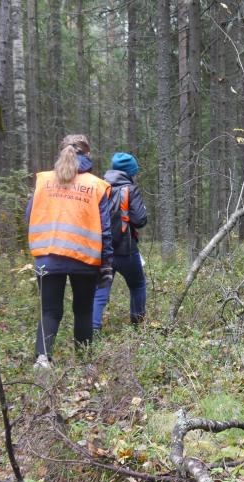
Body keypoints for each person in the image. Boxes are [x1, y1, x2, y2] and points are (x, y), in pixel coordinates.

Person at [26, 135, 113, 369]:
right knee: (83, 311)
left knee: (50, 310)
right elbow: (105, 230)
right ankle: (84, 363)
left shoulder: (43, 181)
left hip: (47, 256)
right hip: (85, 259)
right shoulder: (96, 185)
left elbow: (29, 216)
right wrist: (106, 265)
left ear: (61, 152)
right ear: (88, 154)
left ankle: (42, 360)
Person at [93, 153, 148, 327]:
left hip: (102, 249)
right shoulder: (130, 189)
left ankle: (93, 330)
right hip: (126, 250)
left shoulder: (99, 186)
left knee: (100, 291)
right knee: (138, 285)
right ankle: (137, 326)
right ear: (129, 172)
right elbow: (140, 220)